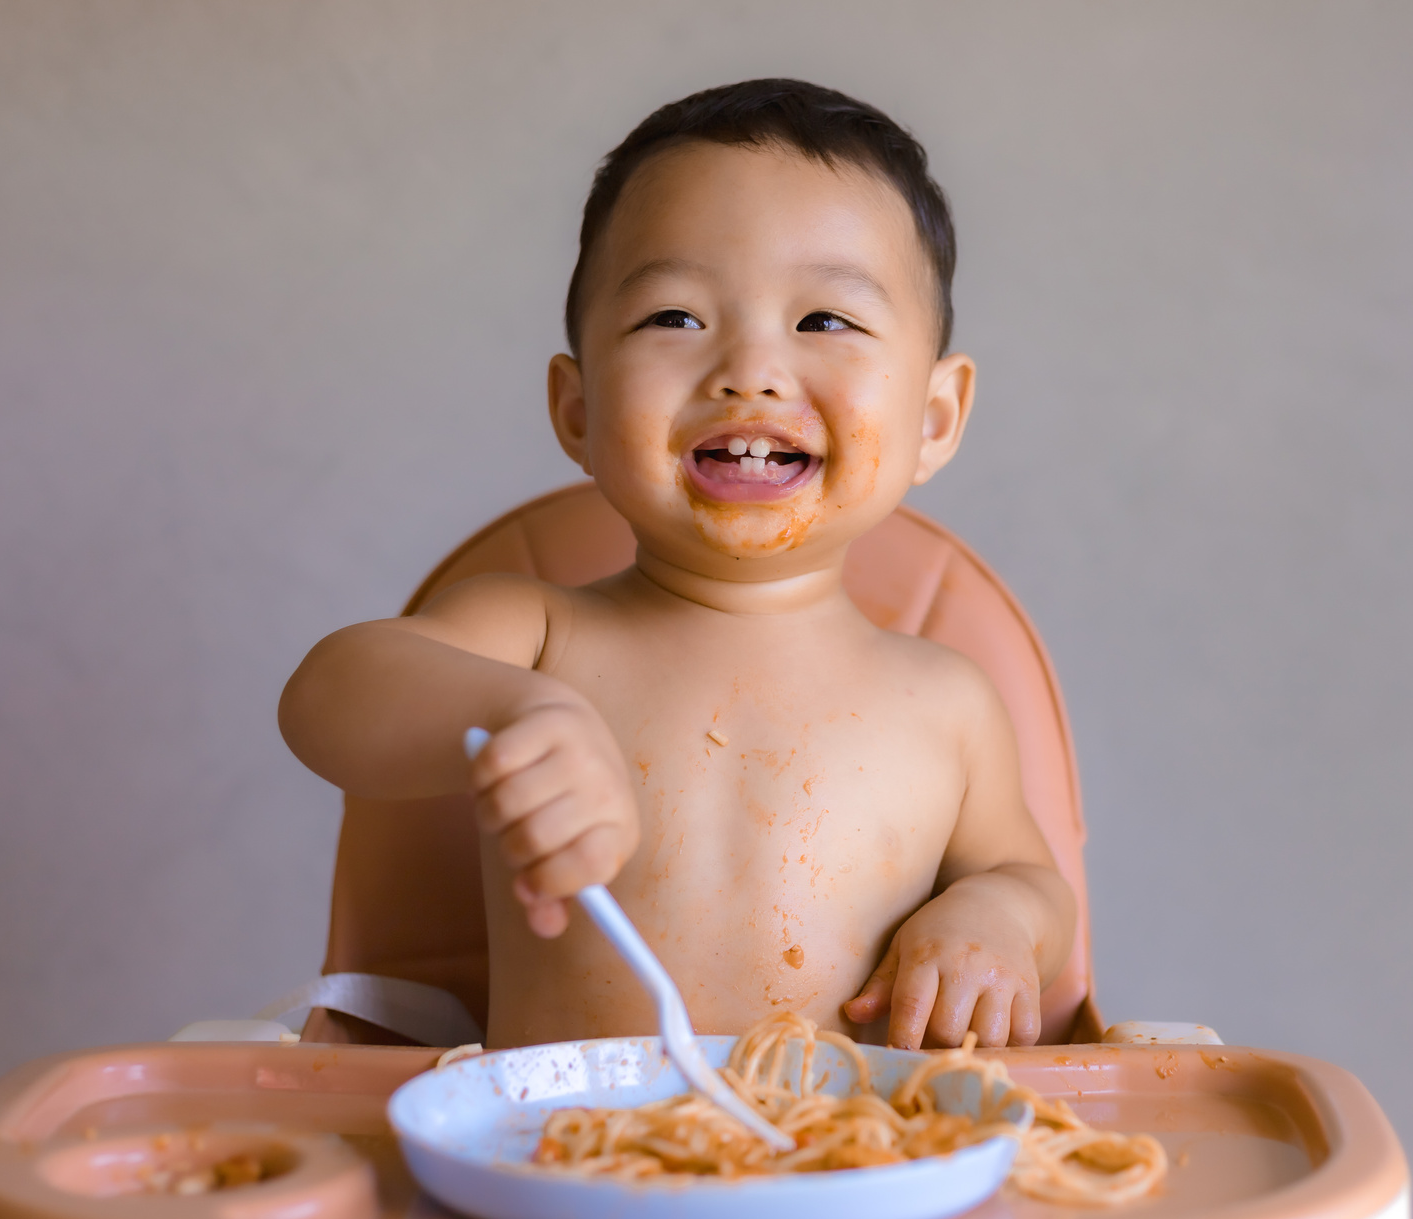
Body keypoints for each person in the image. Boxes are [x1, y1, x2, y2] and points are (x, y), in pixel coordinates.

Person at [279, 79, 1074, 1053]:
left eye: (824, 320)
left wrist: (995, 919)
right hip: (562, 1172)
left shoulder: (946, 699)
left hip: (857, 1173)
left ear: (933, 418)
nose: (748, 368)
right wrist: (518, 710)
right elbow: (325, 698)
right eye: (674, 317)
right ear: (576, 408)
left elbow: (1035, 886)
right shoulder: (536, 637)